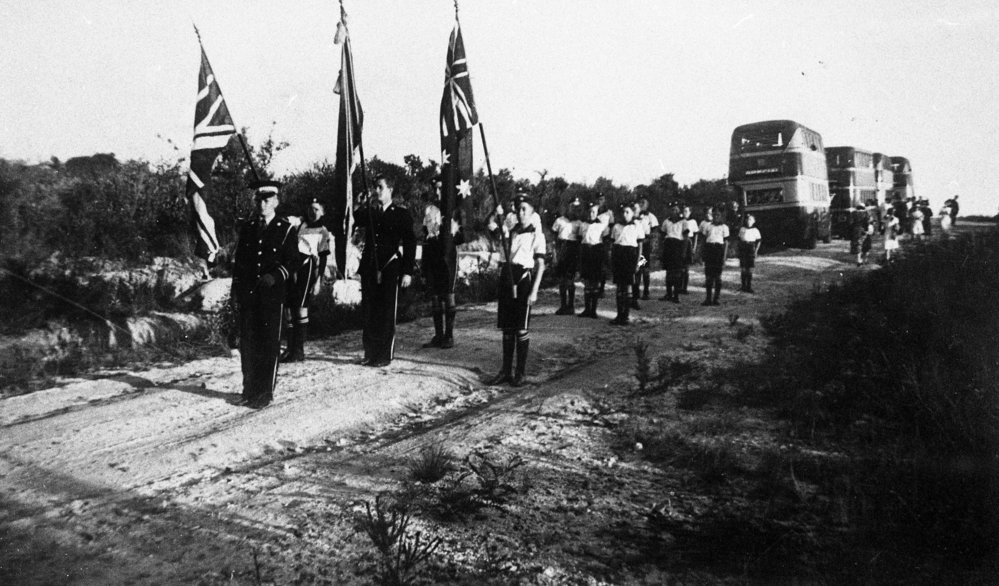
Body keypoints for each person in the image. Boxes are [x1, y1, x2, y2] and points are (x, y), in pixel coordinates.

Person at [230, 180, 299, 408]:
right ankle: (249, 390)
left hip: (271, 296)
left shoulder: (285, 229)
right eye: (259, 200)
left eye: (267, 200)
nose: (262, 204)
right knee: (249, 344)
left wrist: (275, 276)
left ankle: (264, 392)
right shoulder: (248, 228)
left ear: (276, 201)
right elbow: (239, 263)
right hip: (250, 294)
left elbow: (292, 262)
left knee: (268, 344)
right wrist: (235, 292)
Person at [488, 192, 546, 386]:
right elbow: (491, 228)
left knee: (521, 328)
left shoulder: (536, 235)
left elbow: (540, 264)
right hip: (507, 276)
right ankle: (505, 370)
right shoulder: (510, 231)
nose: (521, 213)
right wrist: (495, 213)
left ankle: (520, 372)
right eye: (519, 209)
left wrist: (534, 290)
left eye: (525, 210)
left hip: (523, 280)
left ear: (532, 213)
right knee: (507, 328)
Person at [359, 175, 417, 367]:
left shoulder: (400, 213)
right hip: (370, 267)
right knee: (369, 311)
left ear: (390, 189)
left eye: (380, 187)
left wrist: (407, 271)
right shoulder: (371, 212)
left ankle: (384, 354)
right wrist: (362, 203)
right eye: (375, 187)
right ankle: (370, 352)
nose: (376, 191)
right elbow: (356, 219)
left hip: (389, 267)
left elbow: (410, 242)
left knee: (385, 311)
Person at [281, 198, 332, 362]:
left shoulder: (323, 231)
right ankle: (289, 348)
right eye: (311, 208)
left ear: (322, 212)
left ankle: (299, 351)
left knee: (301, 308)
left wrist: (318, 280)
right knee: (289, 309)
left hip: (308, 267)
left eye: (317, 209)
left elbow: (323, 257)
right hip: (293, 267)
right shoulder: (300, 224)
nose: (313, 212)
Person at [420, 192, 464, 349]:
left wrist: (449, 231)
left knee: (448, 293)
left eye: (441, 189)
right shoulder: (430, 210)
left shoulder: (453, 210)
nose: (438, 193)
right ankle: (438, 335)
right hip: (433, 251)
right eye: (435, 189)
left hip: (447, 252)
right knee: (435, 295)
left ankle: (449, 335)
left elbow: (460, 236)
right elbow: (425, 234)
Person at [609, 203, 643, 325]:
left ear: (633, 213)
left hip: (630, 255)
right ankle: (619, 314)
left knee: (628, 286)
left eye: (628, 212)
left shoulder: (637, 225)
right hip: (619, 255)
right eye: (623, 212)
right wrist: (612, 260)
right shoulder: (616, 226)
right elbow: (613, 245)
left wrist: (638, 262)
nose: (625, 214)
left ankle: (626, 315)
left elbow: (640, 245)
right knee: (619, 287)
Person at [577, 202, 610, 318]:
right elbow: (581, 238)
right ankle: (587, 309)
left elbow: (605, 241)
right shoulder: (583, 225)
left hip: (596, 252)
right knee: (587, 282)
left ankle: (593, 310)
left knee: (595, 281)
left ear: (597, 213)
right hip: (586, 252)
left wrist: (604, 257)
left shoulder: (602, 225)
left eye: (594, 212)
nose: (591, 214)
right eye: (590, 211)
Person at [552, 202, 581, 315]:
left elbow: (579, 241)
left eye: (576, 208)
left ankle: (571, 306)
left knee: (570, 279)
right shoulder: (559, 220)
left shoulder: (579, 223)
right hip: (561, 249)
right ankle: (563, 305)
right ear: (568, 207)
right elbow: (554, 240)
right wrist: (554, 254)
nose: (573, 210)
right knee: (561, 279)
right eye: (571, 207)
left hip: (572, 250)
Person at [700, 208, 730, 306]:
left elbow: (726, 243)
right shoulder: (707, 226)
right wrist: (702, 254)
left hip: (718, 250)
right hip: (709, 250)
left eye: (718, 215)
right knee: (708, 276)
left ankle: (716, 299)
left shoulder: (724, 227)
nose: (716, 217)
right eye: (714, 215)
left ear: (721, 216)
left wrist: (724, 257)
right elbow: (703, 241)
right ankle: (708, 298)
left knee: (717, 276)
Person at [659, 204, 686, 303]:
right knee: (668, 272)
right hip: (668, 246)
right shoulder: (666, 221)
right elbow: (662, 236)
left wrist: (684, 252)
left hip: (678, 246)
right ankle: (668, 293)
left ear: (679, 211)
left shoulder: (683, 222)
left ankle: (676, 295)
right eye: (672, 210)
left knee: (677, 272)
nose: (673, 211)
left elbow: (686, 238)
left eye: (675, 210)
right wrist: (661, 250)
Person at [634, 197, 659, 301]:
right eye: (639, 202)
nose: (641, 204)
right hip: (635, 243)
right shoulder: (635, 215)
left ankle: (646, 291)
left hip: (645, 244)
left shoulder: (651, 217)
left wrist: (653, 244)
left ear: (647, 204)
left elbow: (654, 232)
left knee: (644, 268)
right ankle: (636, 292)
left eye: (643, 202)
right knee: (636, 269)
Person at [738, 214, 762, 292]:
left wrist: (756, 251)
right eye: (748, 219)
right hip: (743, 248)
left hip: (751, 247)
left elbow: (759, 241)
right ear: (745, 220)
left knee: (750, 268)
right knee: (743, 268)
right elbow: (739, 239)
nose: (749, 221)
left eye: (751, 220)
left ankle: (749, 286)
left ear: (754, 221)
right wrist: (739, 249)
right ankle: (743, 286)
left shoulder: (755, 230)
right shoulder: (742, 229)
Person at [680, 205, 699, 294]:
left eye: (687, 211)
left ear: (690, 212)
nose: (685, 213)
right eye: (684, 211)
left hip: (689, 243)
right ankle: (679, 287)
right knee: (680, 267)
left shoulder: (693, 222)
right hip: (680, 242)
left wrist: (694, 247)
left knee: (686, 267)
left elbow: (695, 235)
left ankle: (685, 288)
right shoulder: (680, 221)